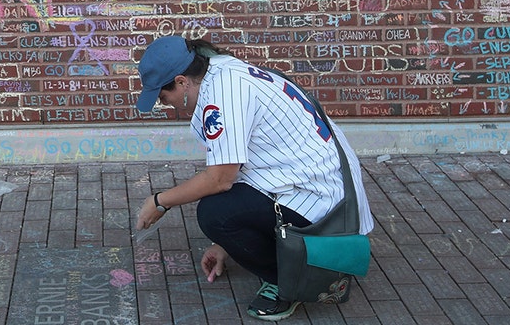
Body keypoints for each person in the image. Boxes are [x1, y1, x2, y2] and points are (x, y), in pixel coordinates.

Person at [133, 35, 374, 321]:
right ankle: (292, 258)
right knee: (225, 208)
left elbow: (220, 179)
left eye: (163, 96)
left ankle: (293, 281)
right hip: (322, 187)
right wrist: (227, 245)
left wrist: (160, 201)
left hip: (326, 207)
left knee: (214, 213)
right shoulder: (221, 68)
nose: (166, 104)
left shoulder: (221, 96)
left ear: (182, 81)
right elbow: (241, 171)